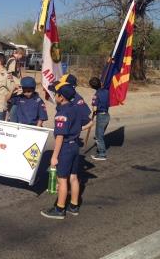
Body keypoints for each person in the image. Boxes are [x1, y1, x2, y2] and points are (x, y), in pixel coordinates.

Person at [40, 84, 82, 220]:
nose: (54, 95)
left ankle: (60, 208)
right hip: (75, 145)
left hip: (65, 148)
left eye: (56, 93)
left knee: (62, 179)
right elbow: (85, 123)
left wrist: (54, 156)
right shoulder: (75, 108)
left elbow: (60, 137)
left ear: (61, 97)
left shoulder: (62, 113)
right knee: (74, 177)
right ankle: (74, 206)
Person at [89, 77, 110, 161]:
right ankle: (99, 150)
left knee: (98, 136)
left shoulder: (96, 95)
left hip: (101, 116)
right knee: (100, 135)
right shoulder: (106, 92)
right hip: (107, 115)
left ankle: (102, 154)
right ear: (100, 83)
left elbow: (95, 108)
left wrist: (94, 111)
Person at [6, 48, 26, 121]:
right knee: (15, 105)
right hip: (15, 88)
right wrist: (14, 85)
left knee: (10, 106)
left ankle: (7, 120)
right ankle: (13, 121)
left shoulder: (12, 59)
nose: (22, 58)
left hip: (15, 87)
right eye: (22, 56)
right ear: (19, 54)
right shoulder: (13, 60)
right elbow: (9, 74)